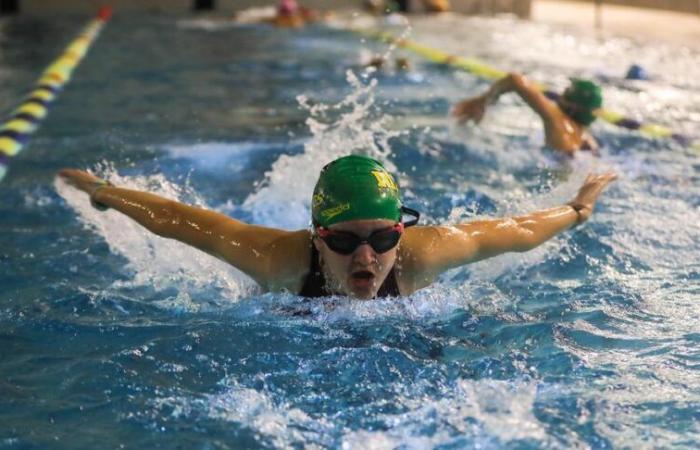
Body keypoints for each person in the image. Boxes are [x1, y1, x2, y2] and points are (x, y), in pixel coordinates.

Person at [59, 155, 616, 300]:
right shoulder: (278, 258)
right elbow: (183, 224)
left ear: (403, 232)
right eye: (346, 241)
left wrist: (578, 210)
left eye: (383, 238)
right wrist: (103, 194)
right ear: (318, 237)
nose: (367, 260)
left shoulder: (427, 254)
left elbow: (515, 230)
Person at [452, 74, 603, 156]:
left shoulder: (559, 123)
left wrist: (482, 101)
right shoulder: (587, 139)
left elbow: (514, 80)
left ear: (569, 104)